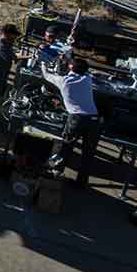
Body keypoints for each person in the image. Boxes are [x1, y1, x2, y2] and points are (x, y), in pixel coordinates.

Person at [42, 55, 101, 187]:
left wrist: (43, 64)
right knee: (88, 153)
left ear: (70, 67)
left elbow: (46, 75)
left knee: (66, 148)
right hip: (94, 120)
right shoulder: (87, 79)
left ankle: (55, 175)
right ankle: (81, 183)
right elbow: (85, 72)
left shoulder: (64, 80)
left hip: (77, 119)